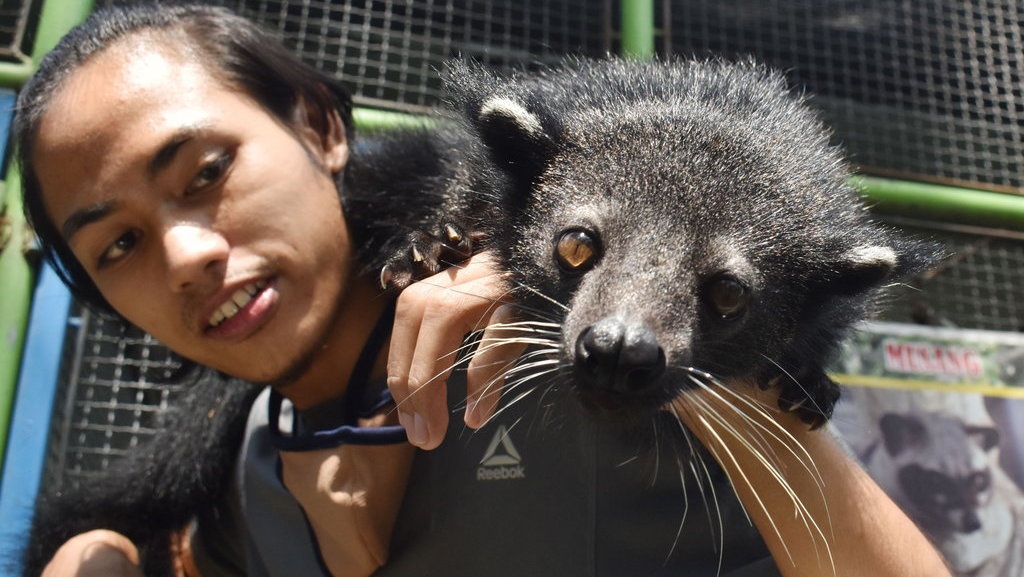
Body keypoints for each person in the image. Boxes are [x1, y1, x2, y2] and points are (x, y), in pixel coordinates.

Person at [15, 4, 952, 577]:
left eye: (206, 170)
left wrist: (770, 395)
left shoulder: (571, 363)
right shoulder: (249, 459)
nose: (187, 255)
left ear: (320, 126)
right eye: (120, 243)